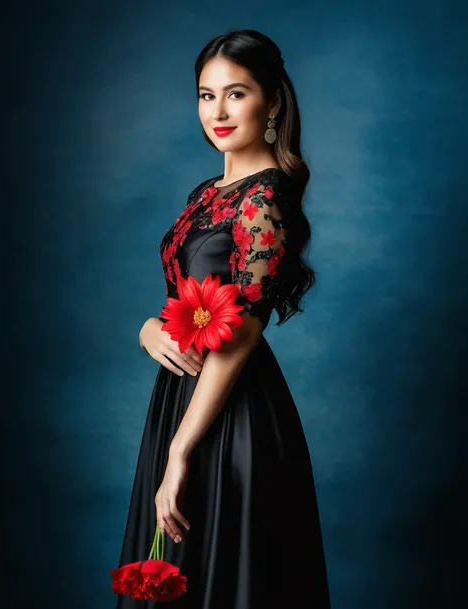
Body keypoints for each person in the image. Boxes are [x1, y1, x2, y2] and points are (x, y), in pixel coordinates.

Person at [115, 29, 332, 609]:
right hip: (179, 401)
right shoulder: (209, 191)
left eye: (236, 93)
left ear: (273, 100)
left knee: (221, 576)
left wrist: (180, 453)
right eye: (206, 96)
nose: (218, 111)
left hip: (227, 413)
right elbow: (188, 303)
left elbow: (240, 335)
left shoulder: (262, 200)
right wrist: (148, 329)